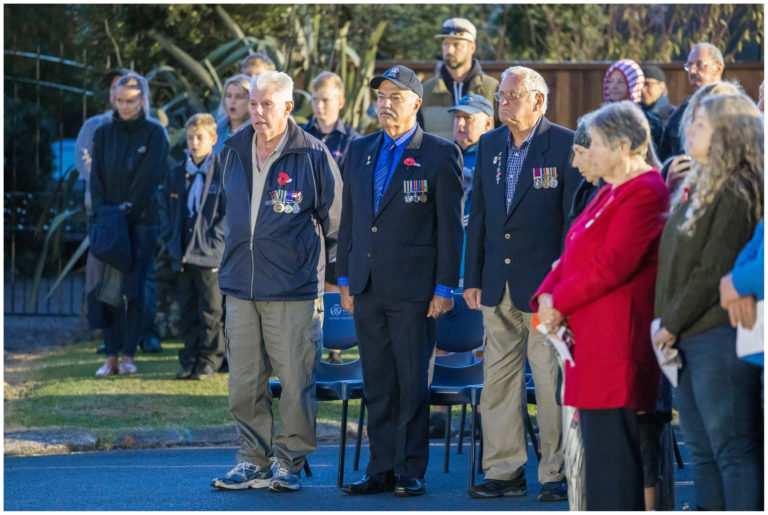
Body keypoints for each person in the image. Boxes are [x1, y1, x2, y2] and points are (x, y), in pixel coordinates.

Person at [533, 100, 670, 510]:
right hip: (589, 348)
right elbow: (571, 250)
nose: (586, 153)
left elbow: (614, 264)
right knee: (600, 468)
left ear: (624, 145)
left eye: (593, 144)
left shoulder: (646, 191)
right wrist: (544, 296)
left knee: (615, 471)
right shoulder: (608, 192)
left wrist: (559, 301)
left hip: (616, 349)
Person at [210, 71, 342, 493]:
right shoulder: (230, 150)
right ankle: (253, 460)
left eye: (267, 104)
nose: (257, 112)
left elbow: (337, 224)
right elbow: (217, 214)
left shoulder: (313, 155)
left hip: (293, 291)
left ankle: (289, 461)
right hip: (241, 288)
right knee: (244, 383)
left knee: (296, 382)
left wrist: (337, 281)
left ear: (288, 107)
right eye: (252, 104)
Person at [337, 65, 463, 497]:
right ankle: (380, 467)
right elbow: (351, 220)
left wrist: (445, 287)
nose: (385, 104)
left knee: (412, 381)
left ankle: (410, 468)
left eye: (395, 96)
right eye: (380, 96)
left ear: (415, 103)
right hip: (367, 286)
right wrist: (344, 278)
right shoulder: (360, 150)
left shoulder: (440, 153)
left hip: (415, 291)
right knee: (377, 381)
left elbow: (451, 228)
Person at [463, 66, 580, 502]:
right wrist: (471, 276)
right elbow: (479, 217)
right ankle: (504, 470)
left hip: (545, 288)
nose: (504, 102)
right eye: (501, 96)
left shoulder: (565, 144)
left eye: (514, 95)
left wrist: (564, 285)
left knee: (549, 383)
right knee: (497, 382)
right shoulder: (491, 143)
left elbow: (573, 224)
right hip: (496, 283)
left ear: (539, 101)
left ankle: (556, 472)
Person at [653, 93, 763, 510]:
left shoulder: (738, 189)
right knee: (701, 454)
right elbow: (674, 262)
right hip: (685, 334)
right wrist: (665, 322)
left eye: (700, 123)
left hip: (717, 335)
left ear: (727, 134)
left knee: (731, 451)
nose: (689, 129)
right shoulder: (697, 183)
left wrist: (669, 324)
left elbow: (712, 268)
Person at [89, 72, 169, 375]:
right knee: (107, 290)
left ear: (143, 100)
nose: (125, 106)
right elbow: (95, 180)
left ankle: (128, 356)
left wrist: (126, 213)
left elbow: (148, 180)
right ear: (113, 99)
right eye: (120, 100)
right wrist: (107, 215)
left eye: (131, 101)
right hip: (109, 225)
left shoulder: (155, 134)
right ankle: (110, 355)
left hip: (141, 224)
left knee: (134, 290)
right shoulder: (102, 134)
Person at [301, 71, 361, 364]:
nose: (320, 106)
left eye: (326, 100)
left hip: (340, 223)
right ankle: (310, 342)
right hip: (305, 223)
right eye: (315, 99)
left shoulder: (353, 141)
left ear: (340, 101)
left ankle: (336, 346)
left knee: (336, 286)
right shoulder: (299, 134)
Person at [162, 113, 226, 380]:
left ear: (213, 139)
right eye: (190, 138)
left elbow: (228, 212)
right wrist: (170, 240)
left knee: (211, 310)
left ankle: (210, 359)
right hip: (183, 253)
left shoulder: (222, 171)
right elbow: (165, 209)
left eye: (200, 137)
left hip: (209, 254)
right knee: (186, 309)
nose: (194, 143)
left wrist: (215, 242)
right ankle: (188, 358)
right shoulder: (177, 173)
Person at [419, 18, 499, 140]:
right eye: (446, 44)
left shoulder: (493, 88)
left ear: (472, 47)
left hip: (481, 159)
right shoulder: (425, 90)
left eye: (456, 45)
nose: (450, 50)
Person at [662, 81, 742, 192]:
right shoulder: (680, 170)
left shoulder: (742, 183)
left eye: (701, 125)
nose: (689, 130)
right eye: (693, 120)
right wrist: (670, 190)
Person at [659, 42, 724, 161]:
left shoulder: (734, 108)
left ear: (718, 68)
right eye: (689, 65)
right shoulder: (679, 114)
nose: (692, 71)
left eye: (699, 65)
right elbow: (663, 157)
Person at [602, 59, 663, 154]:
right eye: (611, 81)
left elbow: (655, 154)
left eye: (620, 82)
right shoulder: (594, 119)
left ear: (634, 84)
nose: (614, 86)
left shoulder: (650, 122)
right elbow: (581, 149)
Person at [213, 74, 252, 155]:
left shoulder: (257, 133)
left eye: (239, 97)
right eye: (228, 96)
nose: (232, 101)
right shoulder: (215, 129)